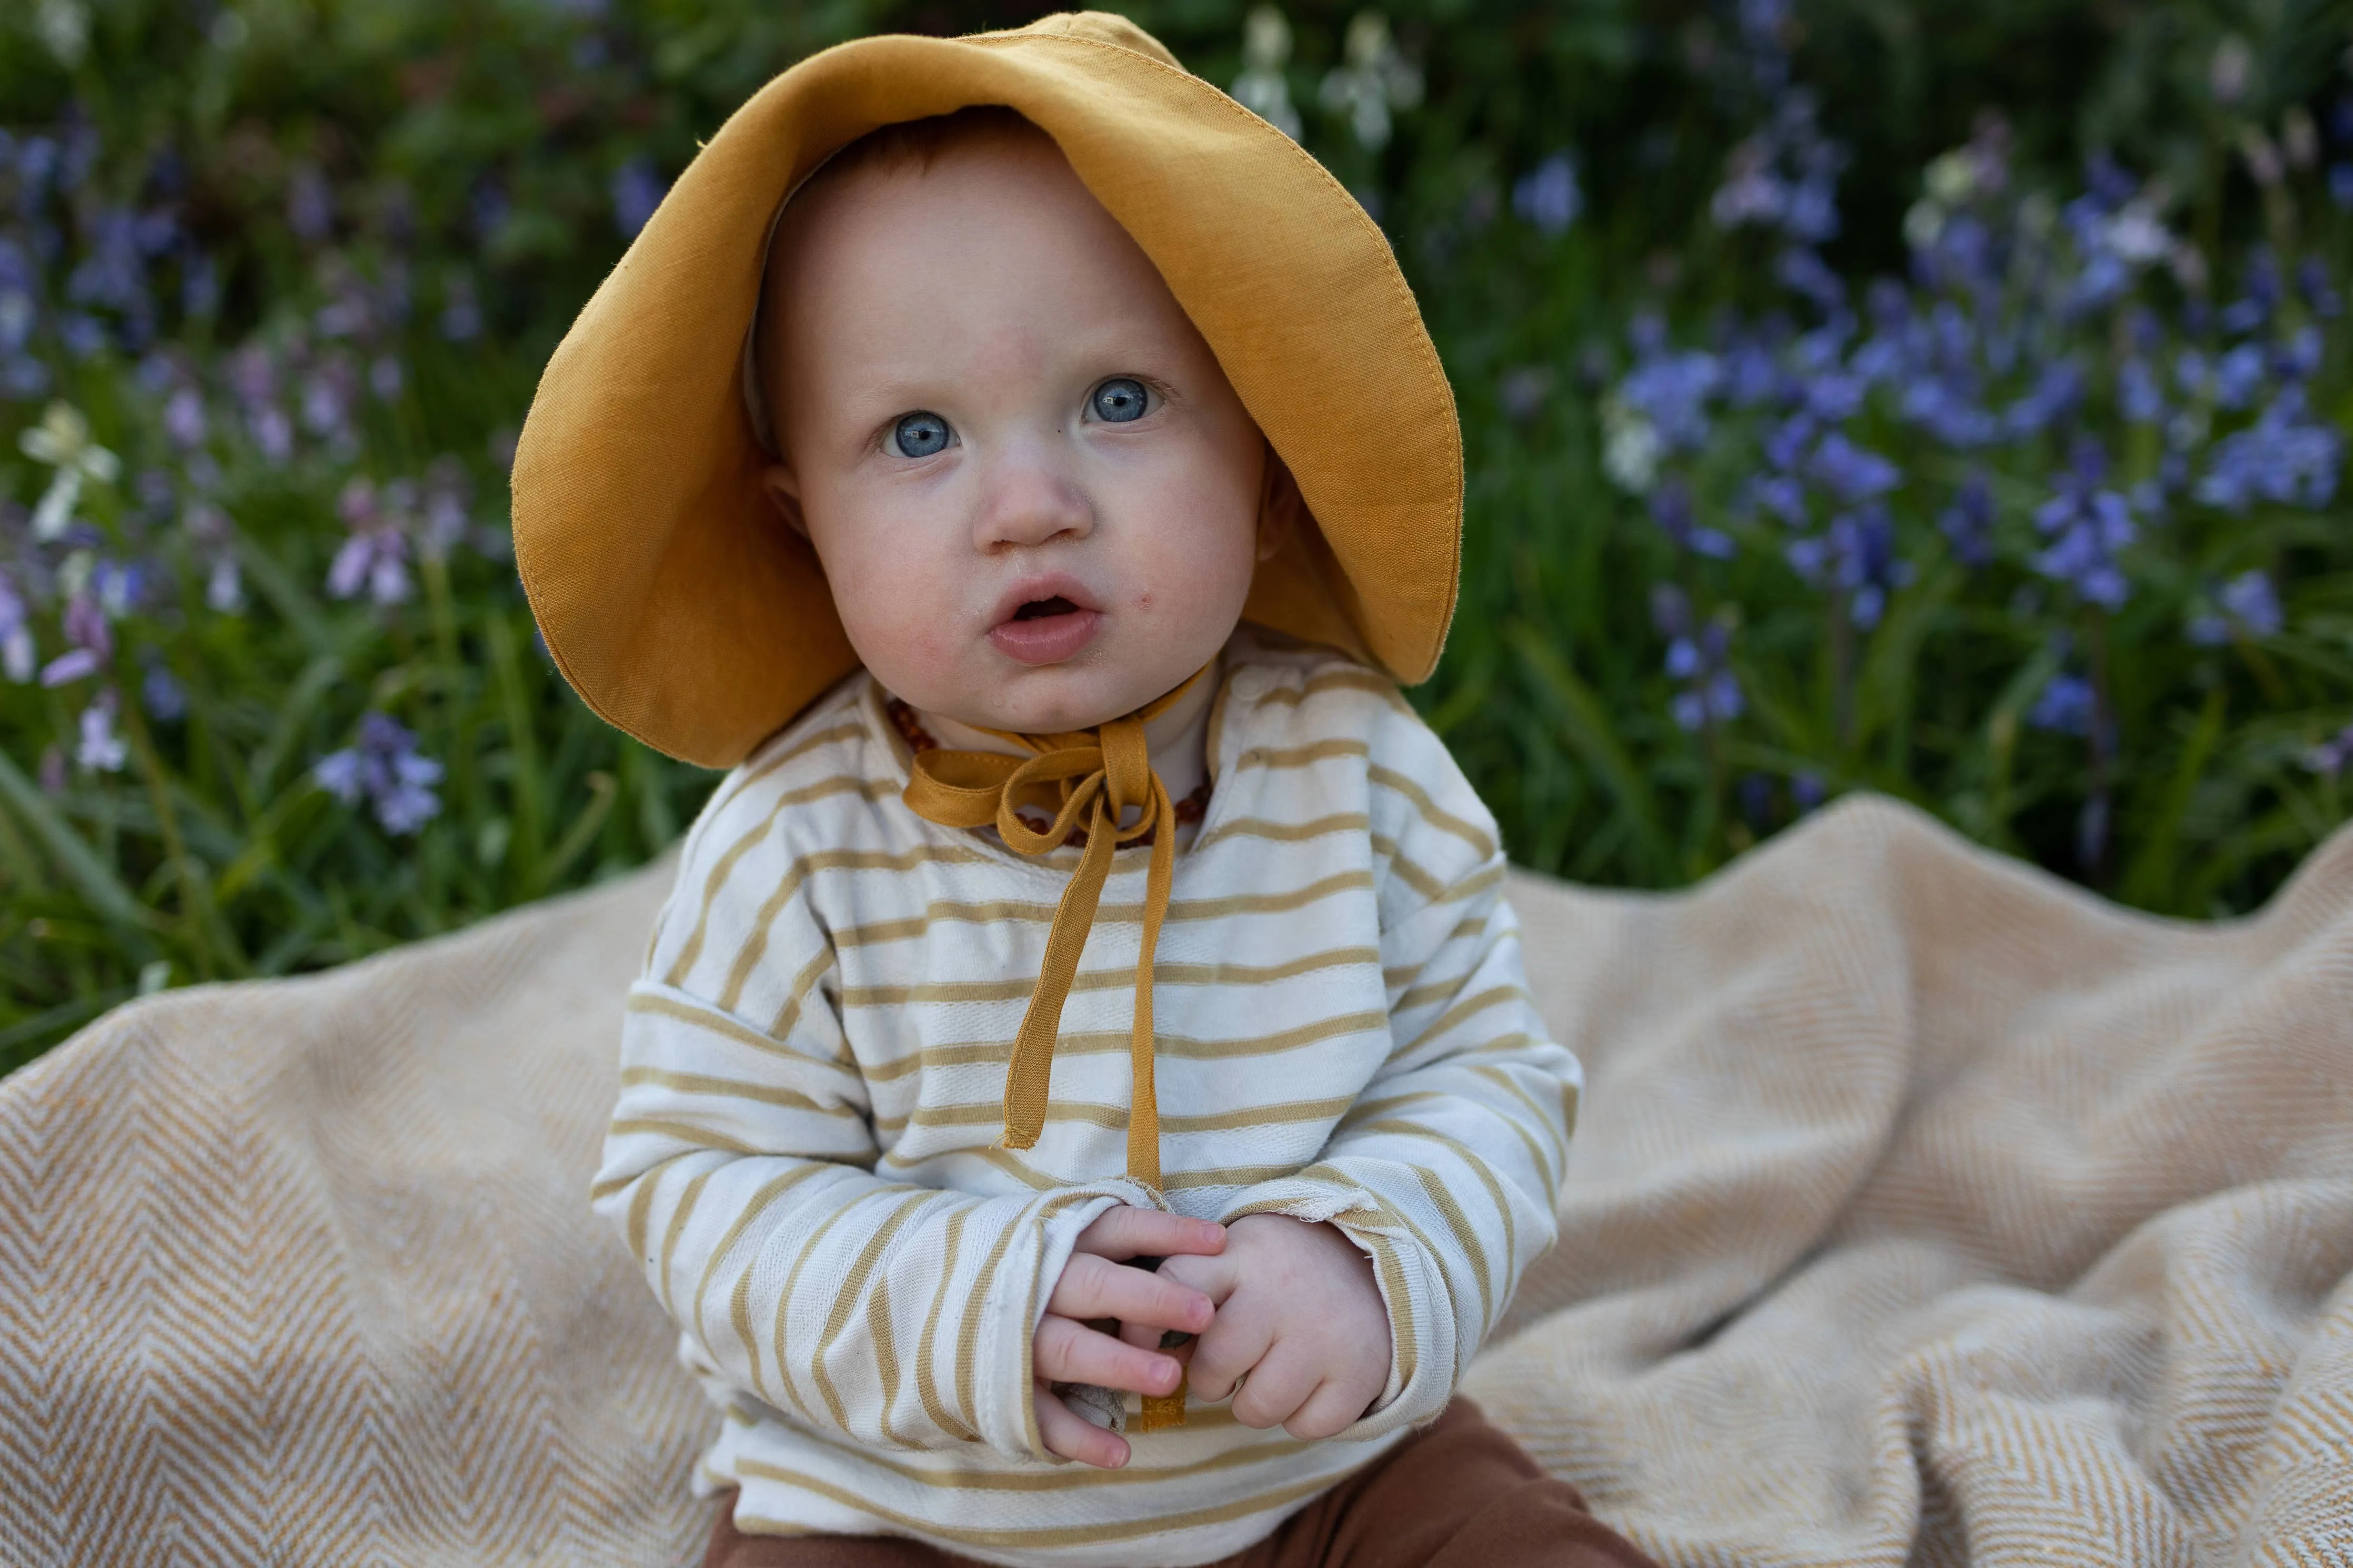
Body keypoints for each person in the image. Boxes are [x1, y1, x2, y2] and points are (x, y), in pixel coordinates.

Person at [512, 14, 1660, 1568]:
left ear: (1262, 461)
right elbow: (700, 1187)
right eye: (918, 436)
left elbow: (1486, 1073)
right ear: (804, 530)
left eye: (1118, 400)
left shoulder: (1358, 774)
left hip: (1316, 1480)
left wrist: (1364, 1254)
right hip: (915, 1503)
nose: (1030, 506)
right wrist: (978, 1301)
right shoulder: (796, 852)